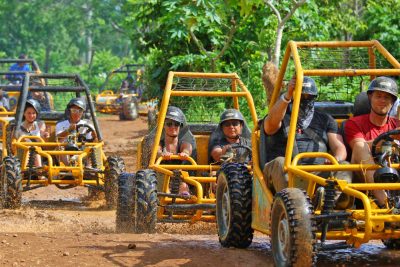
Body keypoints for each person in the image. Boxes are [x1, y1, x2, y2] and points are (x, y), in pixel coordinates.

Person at [262, 76, 352, 208]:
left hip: (317, 171)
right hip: (287, 169)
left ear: (314, 97)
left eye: (308, 96)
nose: (304, 99)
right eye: (300, 95)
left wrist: (336, 159)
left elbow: (339, 146)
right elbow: (270, 126)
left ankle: (329, 202)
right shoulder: (281, 114)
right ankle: (294, 205)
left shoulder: (325, 119)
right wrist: (287, 95)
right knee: (280, 162)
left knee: (344, 165)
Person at [344, 76, 399, 208]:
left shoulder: (396, 125)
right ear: (370, 98)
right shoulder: (354, 123)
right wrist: (388, 139)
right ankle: (386, 205)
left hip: (393, 171)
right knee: (360, 146)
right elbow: (358, 147)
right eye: (378, 96)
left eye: (386, 97)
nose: (382, 101)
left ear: (392, 102)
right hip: (362, 175)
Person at [157, 106, 196, 196]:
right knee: (164, 187)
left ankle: (183, 202)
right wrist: (162, 154)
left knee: (183, 186)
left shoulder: (184, 143)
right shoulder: (159, 143)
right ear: (163, 125)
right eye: (169, 124)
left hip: (179, 179)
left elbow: (187, 148)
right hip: (161, 179)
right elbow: (157, 151)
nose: (173, 127)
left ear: (180, 126)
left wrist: (185, 153)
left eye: (176, 124)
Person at [14, 99, 50, 171]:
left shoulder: (40, 124)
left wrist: (45, 135)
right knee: (30, 149)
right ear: (24, 113)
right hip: (22, 153)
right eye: (29, 113)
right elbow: (14, 144)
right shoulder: (18, 127)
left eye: (33, 113)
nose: (31, 115)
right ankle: (22, 172)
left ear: (36, 114)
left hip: (38, 152)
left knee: (35, 149)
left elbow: (42, 140)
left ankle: (39, 173)